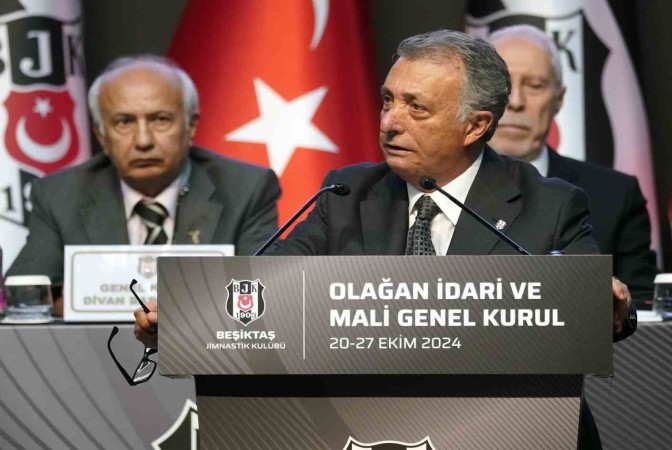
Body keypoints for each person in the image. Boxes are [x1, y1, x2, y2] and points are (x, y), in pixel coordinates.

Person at [134, 31, 632, 449]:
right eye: (389, 100)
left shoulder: (548, 204)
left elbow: (592, 307)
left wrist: (606, 308)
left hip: (512, 431)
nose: (391, 122)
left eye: (417, 108)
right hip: (365, 431)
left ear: (475, 125)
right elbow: (268, 286)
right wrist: (187, 321)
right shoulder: (346, 193)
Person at [8, 55, 280, 314]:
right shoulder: (59, 195)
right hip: (98, 345)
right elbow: (25, 295)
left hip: (206, 345)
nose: (143, 141)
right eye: (124, 122)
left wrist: (92, 300)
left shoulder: (246, 188)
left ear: (191, 126)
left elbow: (265, 292)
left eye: (160, 120)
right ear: (101, 135)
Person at [487, 25, 658, 308]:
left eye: (535, 86)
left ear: (559, 99)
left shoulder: (615, 195)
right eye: (502, 85)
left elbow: (640, 307)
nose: (515, 102)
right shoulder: (432, 185)